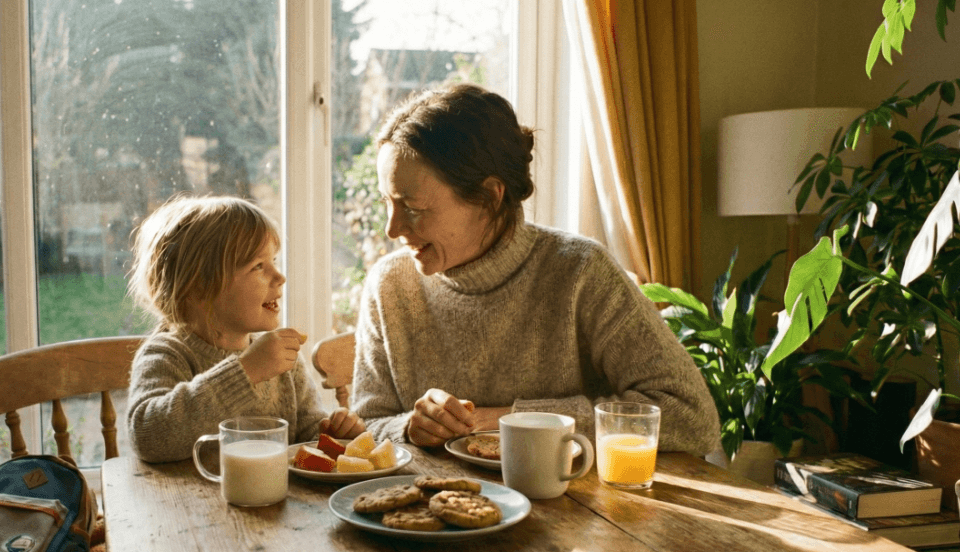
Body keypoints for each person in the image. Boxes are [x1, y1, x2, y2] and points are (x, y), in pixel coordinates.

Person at [350, 83, 719, 455]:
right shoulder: (388, 286)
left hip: (573, 507)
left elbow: (691, 418)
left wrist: (511, 420)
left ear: (490, 196)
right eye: (387, 202)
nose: (392, 229)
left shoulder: (581, 272)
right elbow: (362, 427)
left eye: (412, 207)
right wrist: (410, 428)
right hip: (430, 504)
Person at [126, 195, 367, 463]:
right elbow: (148, 437)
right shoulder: (167, 355)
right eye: (258, 267)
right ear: (198, 288)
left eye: (274, 261)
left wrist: (333, 433)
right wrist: (245, 372)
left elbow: (307, 435)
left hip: (272, 499)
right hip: (188, 503)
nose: (279, 277)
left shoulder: (284, 360)